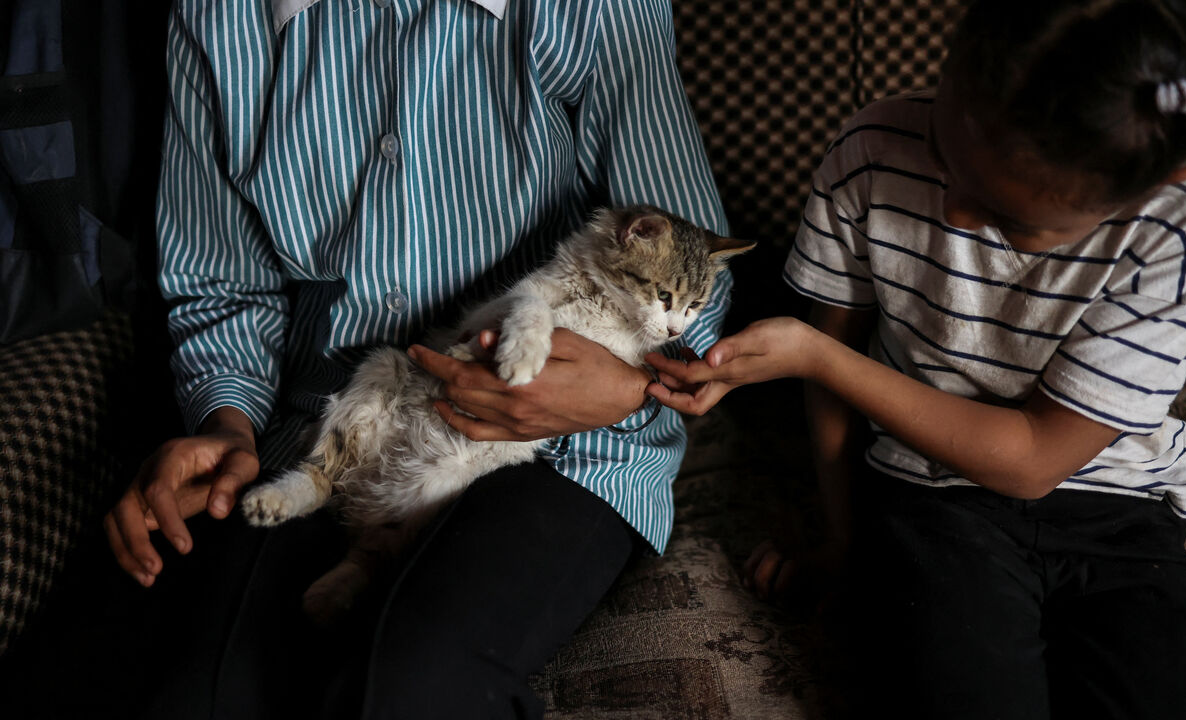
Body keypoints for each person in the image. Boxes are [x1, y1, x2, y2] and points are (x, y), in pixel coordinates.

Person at [7, 1, 731, 718]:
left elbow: (693, 272)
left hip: (571, 444)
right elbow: (221, 283)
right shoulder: (217, 17)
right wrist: (228, 422)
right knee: (201, 696)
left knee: (413, 688)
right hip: (336, 416)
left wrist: (627, 391)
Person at [646, 0, 1186, 717]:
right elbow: (833, 352)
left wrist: (816, 357)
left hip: (1121, 510)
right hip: (932, 499)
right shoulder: (873, 143)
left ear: (1154, 186)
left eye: (1010, 219)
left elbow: (1031, 460)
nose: (954, 214)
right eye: (943, 155)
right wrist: (844, 542)